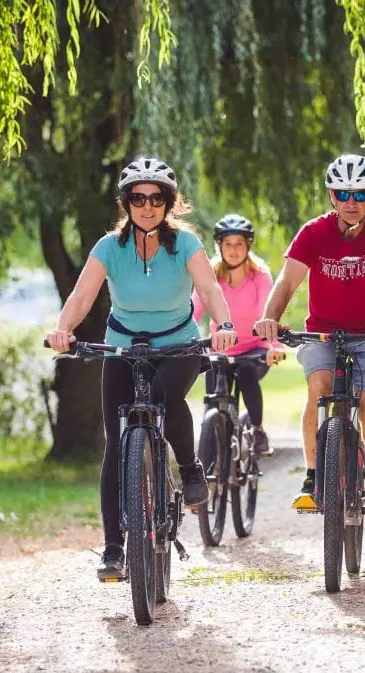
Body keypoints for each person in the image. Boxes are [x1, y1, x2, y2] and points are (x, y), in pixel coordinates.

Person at [45, 157, 238, 580]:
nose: (147, 206)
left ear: (168, 203)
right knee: (115, 446)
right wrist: (62, 329)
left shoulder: (186, 244)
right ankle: (114, 549)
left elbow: (208, 288)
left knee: (167, 399)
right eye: (138, 198)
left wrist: (223, 325)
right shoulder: (108, 248)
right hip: (122, 347)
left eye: (156, 198)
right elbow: (81, 297)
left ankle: (188, 468)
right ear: (126, 203)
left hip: (178, 344)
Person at [254, 154, 365, 515]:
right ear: (332, 196)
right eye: (344, 193)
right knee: (317, 391)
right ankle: (312, 476)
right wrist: (269, 318)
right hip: (323, 335)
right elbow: (287, 282)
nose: (352, 202)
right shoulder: (314, 232)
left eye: (360, 194)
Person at [193, 214, 285, 455]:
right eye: (228, 244)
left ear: (248, 247)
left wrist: (274, 346)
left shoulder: (260, 276)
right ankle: (211, 445)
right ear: (219, 246)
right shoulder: (210, 274)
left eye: (239, 244)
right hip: (220, 349)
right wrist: (183, 339)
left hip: (254, 349)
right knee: (213, 396)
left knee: (245, 372)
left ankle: (257, 430)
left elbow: (268, 315)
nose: (233, 250)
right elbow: (194, 310)